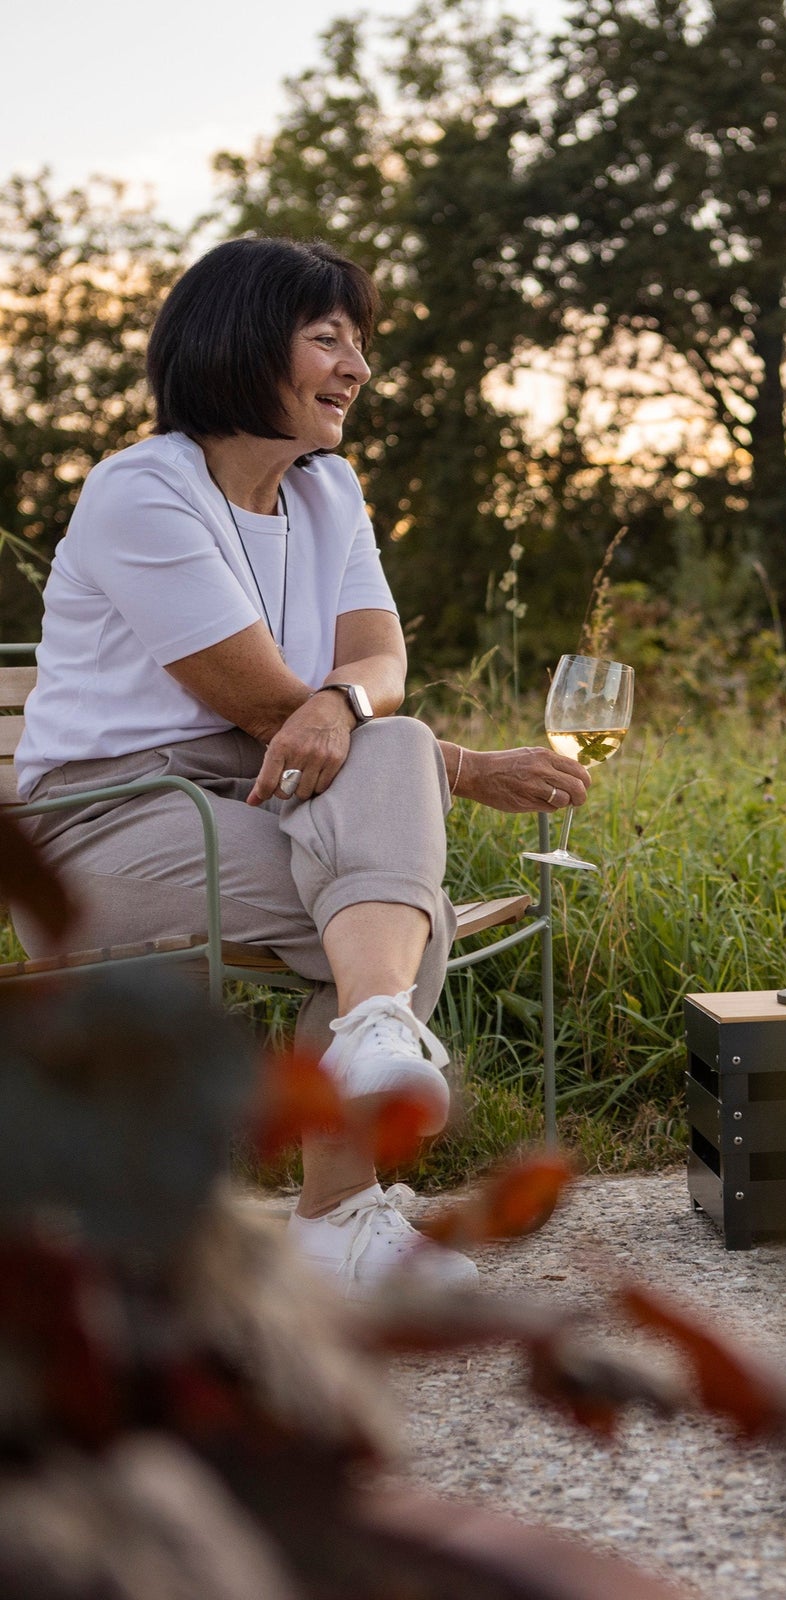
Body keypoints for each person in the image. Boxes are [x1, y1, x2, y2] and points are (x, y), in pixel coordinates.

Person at [13, 237, 592, 1296]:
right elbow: (253, 702)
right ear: (239, 343)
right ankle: (341, 1205)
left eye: (359, 343)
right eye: (327, 339)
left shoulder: (329, 491)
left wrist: (350, 705)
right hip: (108, 823)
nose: (357, 368)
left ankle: (367, 1057)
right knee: (400, 905)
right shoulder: (139, 491)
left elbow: (379, 664)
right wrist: (448, 762)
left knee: (389, 771)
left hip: (262, 797)